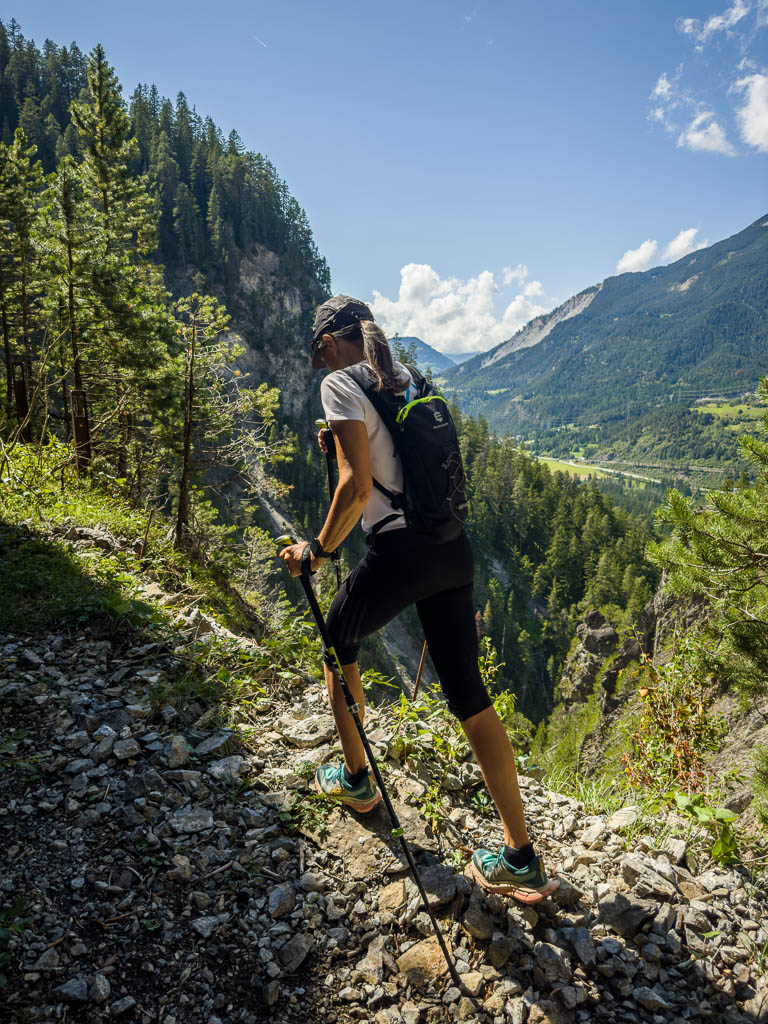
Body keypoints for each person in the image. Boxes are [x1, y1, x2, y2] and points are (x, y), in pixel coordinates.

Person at [279, 295, 557, 904]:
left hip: (401, 552)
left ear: (331, 342)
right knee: (471, 698)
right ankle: (521, 858)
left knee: (337, 641)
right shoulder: (406, 376)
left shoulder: (339, 385)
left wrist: (317, 551)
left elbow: (356, 489)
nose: (320, 362)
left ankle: (357, 780)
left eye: (319, 351)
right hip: (452, 548)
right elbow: (393, 459)